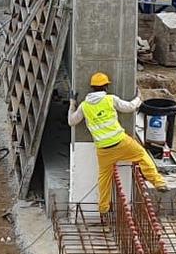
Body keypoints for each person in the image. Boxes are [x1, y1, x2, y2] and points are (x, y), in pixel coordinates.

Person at [67, 72, 169, 211]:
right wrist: (139, 98)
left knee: (104, 179)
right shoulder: (110, 99)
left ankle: (103, 208)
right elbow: (129, 107)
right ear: (106, 87)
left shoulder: (84, 106)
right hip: (121, 143)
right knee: (142, 155)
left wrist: (72, 103)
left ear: (92, 88)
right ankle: (158, 182)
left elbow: (71, 121)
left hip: (103, 150)